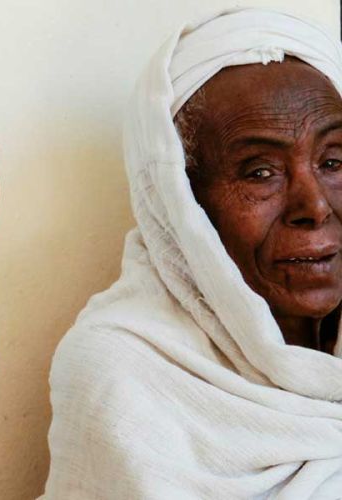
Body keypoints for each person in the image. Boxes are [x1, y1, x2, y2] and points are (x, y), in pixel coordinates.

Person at [45, 9, 342, 498]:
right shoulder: (124, 370)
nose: (313, 206)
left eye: (333, 161)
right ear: (181, 201)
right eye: (260, 172)